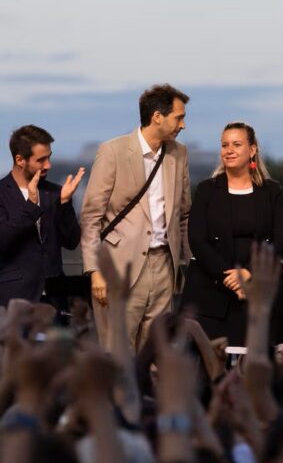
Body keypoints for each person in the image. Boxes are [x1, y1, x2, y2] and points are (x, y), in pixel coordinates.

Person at [80, 84, 192, 352]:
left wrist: (189, 265)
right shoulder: (113, 151)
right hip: (119, 269)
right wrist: (95, 272)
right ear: (157, 117)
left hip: (165, 265)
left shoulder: (179, 153)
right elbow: (91, 217)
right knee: (118, 353)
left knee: (156, 352)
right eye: (179, 117)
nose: (183, 125)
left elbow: (184, 215)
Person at [181, 122, 283, 346]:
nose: (228, 150)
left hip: (260, 290)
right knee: (210, 368)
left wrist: (249, 274)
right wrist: (230, 278)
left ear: (252, 150)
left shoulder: (273, 191)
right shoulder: (207, 190)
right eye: (224, 145)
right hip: (212, 293)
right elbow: (197, 239)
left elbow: (281, 240)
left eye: (236, 144)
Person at [0, 125, 85, 307]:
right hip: (14, 299)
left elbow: (71, 241)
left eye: (49, 157)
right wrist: (31, 205)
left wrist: (64, 203)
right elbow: (3, 240)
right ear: (20, 160)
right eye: (41, 160)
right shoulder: (1, 194)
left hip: (55, 298)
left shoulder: (55, 192)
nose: (48, 165)